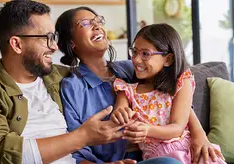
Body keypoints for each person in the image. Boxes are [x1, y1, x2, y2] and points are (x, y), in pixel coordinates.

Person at [0, 1, 136, 164]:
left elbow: (114, 73)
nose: (54, 47)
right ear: (17, 44)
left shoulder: (61, 78)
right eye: (47, 38)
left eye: (54, 37)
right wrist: (83, 137)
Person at [56, 6, 225, 164]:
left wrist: (199, 134)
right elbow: (75, 149)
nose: (97, 26)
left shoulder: (132, 68)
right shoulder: (73, 87)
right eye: (85, 23)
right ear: (71, 42)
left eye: (98, 20)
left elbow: (174, 96)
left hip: (164, 151)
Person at [110, 23, 226, 164]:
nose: (135, 59)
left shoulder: (181, 83)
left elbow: (177, 128)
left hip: (190, 149)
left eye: (145, 54)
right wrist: (120, 114)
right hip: (160, 158)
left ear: (168, 59)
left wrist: (147, 129)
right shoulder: (127, 90)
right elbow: (120, 109)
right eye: (134, 52)